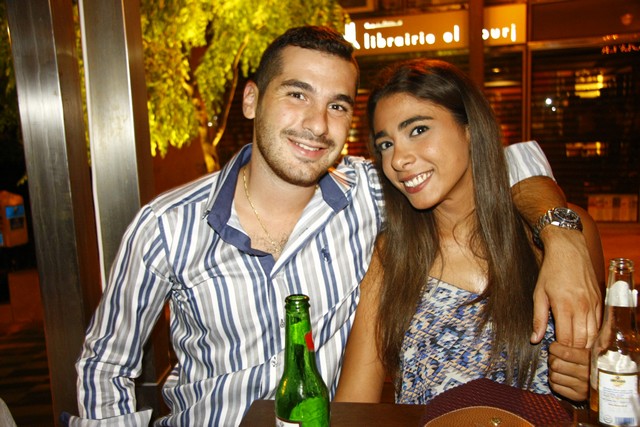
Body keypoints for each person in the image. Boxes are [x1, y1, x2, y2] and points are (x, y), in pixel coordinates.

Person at [73, 26, 600, 426]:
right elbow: (105, 369)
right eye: (297, 94)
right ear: (252, 99)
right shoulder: (166, 225)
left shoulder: (370, 192)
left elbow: (504, 161)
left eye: (337, 106)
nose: (316, 124)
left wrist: (562, 235)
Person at [334, 59, 604, 406]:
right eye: (386, 144)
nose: (398, 159)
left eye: (418, 129)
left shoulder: (562, 236)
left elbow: (609, 373)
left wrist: (592, 385)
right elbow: (355, 405)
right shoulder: (392, 258)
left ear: (470, 129)